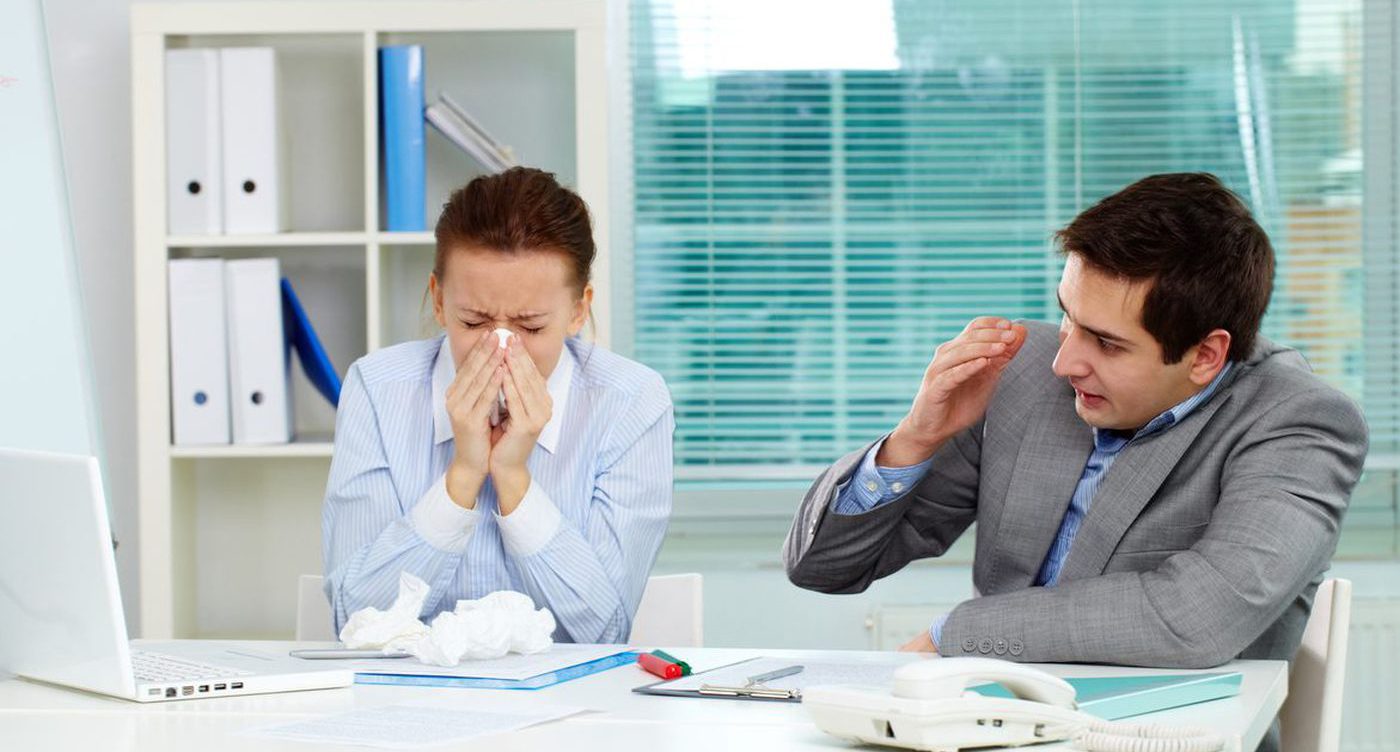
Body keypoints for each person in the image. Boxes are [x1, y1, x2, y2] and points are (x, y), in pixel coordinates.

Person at [784, 172, 1365, 682]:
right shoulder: (1024, 373)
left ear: (1205, 356)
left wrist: (959, 634)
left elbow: (1196, 617)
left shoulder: (1298, 422)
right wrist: (916, 437)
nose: (1064, 364)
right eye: (1068, 316)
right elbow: (824, 567)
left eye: (1107, 343)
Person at [323, 167, 674, 643]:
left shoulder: (630, 402)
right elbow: (355, 620)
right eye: (474, 322)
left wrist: (513, 477)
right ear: (439, 301)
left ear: (578, 310)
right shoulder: (377, 389)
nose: (502, 348)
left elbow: (604, 630)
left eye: (531, 327)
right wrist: (463, 475)